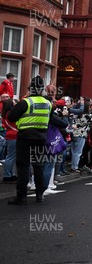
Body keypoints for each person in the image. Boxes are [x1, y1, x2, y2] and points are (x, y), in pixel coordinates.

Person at [7, 76, 51, 204]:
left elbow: (11, 117)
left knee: (23, 166)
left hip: (25, 137)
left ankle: (22, 197)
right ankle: (39, 195)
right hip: (41, 137)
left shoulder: (25, 102)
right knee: (38, 166)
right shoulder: (48, 103)